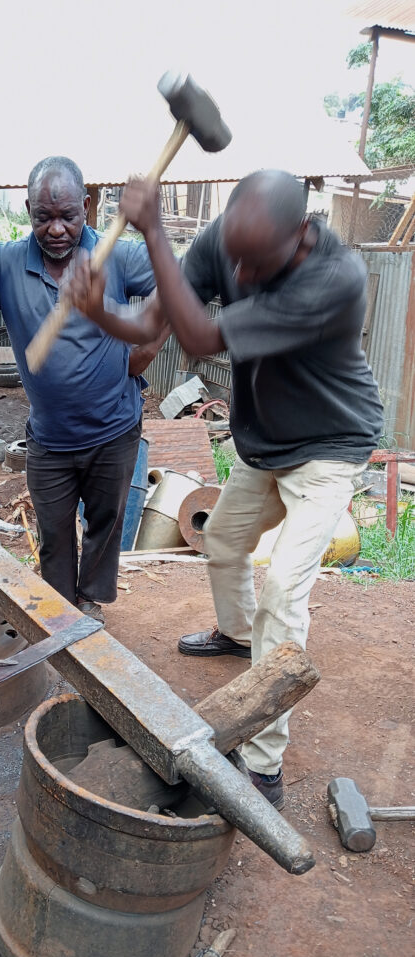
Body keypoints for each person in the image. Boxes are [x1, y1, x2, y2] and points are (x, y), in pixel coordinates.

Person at [65, 170, 383, 808]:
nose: (241, 271)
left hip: (328, 447)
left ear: (301, 232)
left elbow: (200, 337)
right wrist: (102, 311)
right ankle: (238, 638)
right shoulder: (228, 242)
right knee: (223, 544)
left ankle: (263, 762)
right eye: (234, 258)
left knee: (284, 593)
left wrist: (154, 227)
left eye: (256, 263)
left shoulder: (334, 280)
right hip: (264, 443)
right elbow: (158, 318)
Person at [0, 156, 162, 623]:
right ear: (28, 210)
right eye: (44, 217)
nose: (57, 229)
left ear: (88, 205)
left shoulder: (116, 256)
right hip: (51, 440)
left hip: (114, 431)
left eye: (68, 216)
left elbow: (181, 280)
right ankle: (64, 614)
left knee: (104, 527)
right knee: (54, 534)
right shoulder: (5, 264)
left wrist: (148, 346)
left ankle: (91, 603)